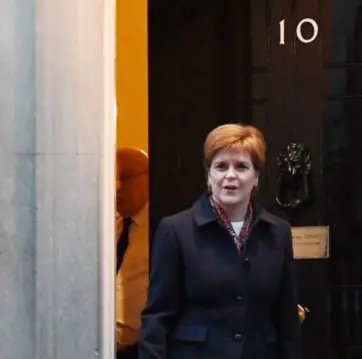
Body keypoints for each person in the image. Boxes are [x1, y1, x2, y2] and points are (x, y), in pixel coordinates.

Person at [139, 123, 301, 359]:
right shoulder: (175, 230)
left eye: (241, 166)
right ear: (209, 176)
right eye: (221, 166)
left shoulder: (277, 232)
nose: (230, 176)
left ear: (256, 177)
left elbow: (286, 319)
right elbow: (157, 317)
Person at [116, 147, 150, 359]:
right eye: (113, 178)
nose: (117, 187)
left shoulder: (162, 230)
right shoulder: (107, 228)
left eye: (126, 177)